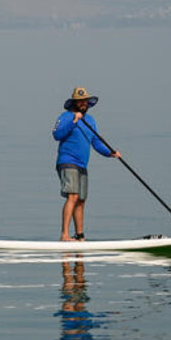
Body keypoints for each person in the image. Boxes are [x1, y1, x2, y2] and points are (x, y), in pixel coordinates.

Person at [52, 87, 120, 241]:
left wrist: (110, 153)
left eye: (85, 101)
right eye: (80, 101)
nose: (83, 104)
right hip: (67, 161)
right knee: (73, 196)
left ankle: (80, 236)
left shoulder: (90, 121)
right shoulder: (65, 116)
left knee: (81, 200)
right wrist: (74, 121)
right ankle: (64, 235)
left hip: (82, 164)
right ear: (74, 103)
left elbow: (96, 142)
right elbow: (57, 135)